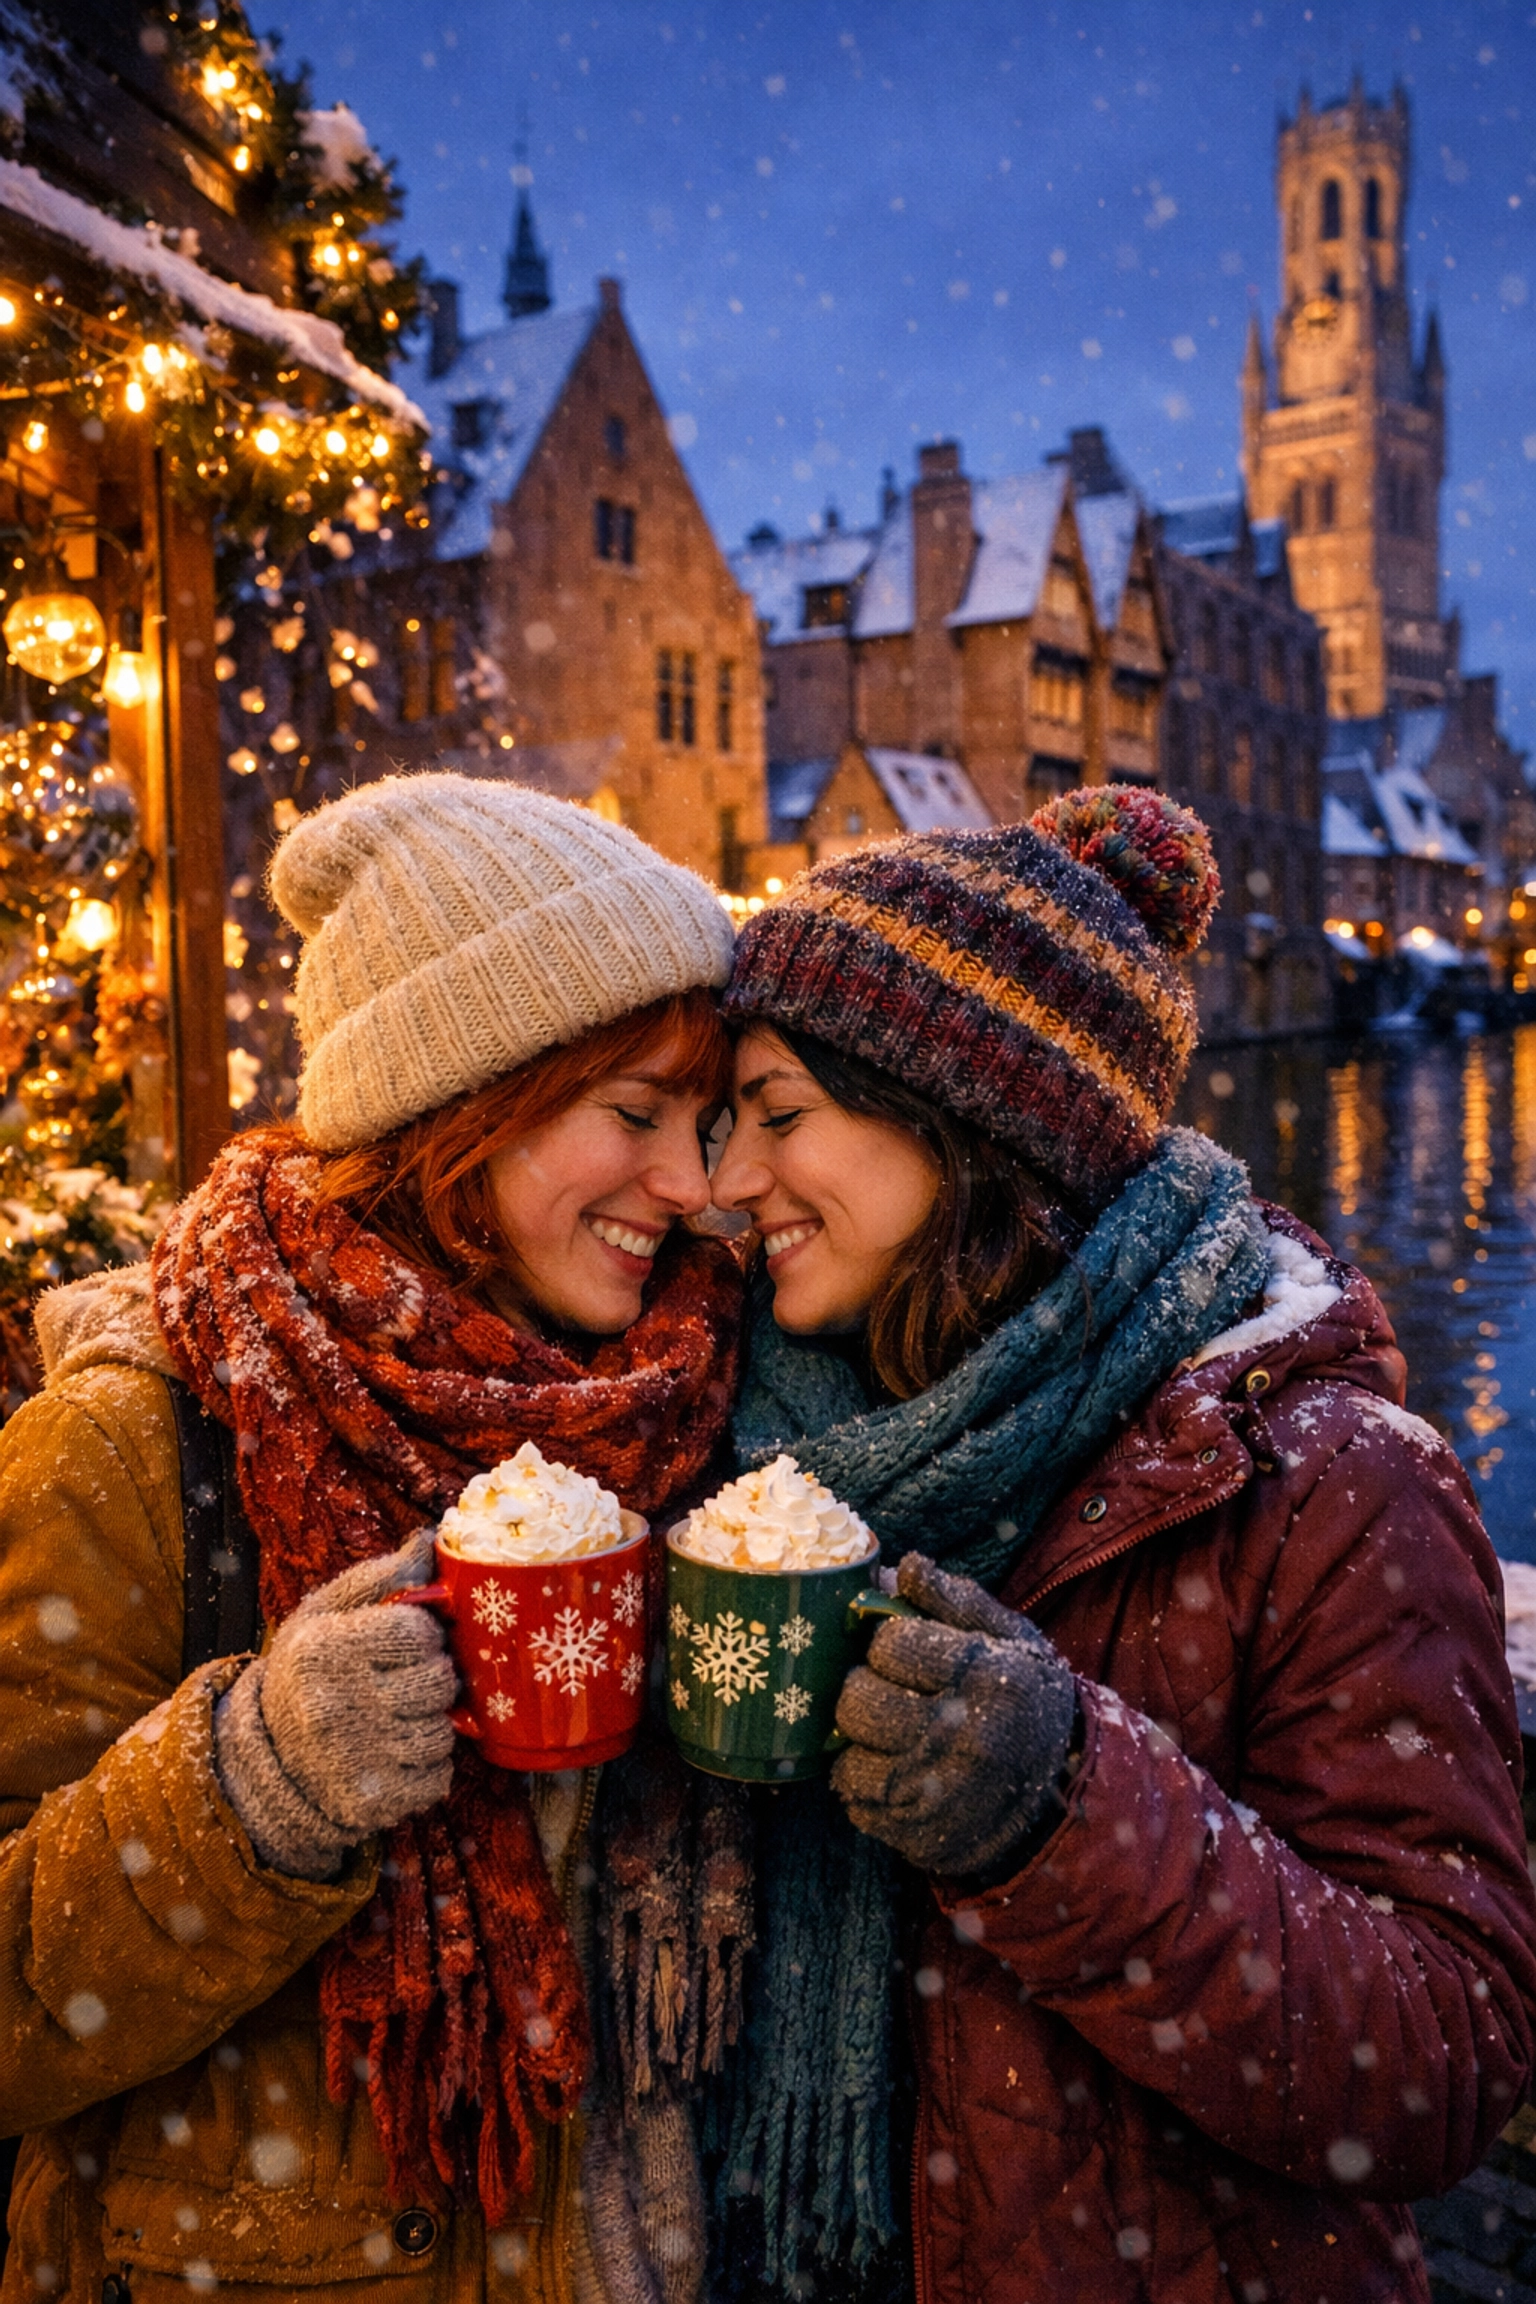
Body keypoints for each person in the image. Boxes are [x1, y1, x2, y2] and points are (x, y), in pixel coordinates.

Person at [710, 787, 1536, 2304]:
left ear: (964, 1114)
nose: (728, 1182)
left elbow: (1447, 2051)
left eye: (779, 1117)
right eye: (719, 1125)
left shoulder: (1326, 1478)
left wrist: (1064, 1812)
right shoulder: (774, 1434)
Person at [0, 771, 749, 2302]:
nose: (694, 1186)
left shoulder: (697, 1402)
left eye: (711, 1116)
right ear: (460, 1113)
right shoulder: (149, 1438)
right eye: (636, 1114)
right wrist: (248, 1787)